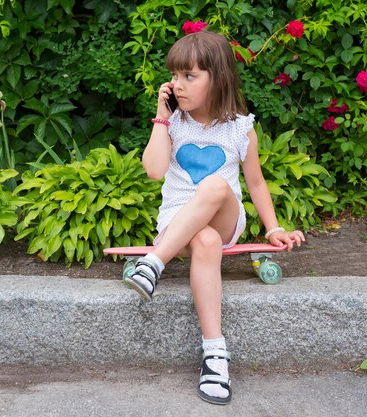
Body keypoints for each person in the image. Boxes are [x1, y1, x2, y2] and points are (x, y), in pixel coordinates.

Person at [125, 30, 305, 405]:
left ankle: (153, 264)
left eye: (190, 77)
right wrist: (162, 117)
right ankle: (215, 355)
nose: (178, 85)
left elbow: (255, 184)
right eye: (175, 76)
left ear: (217, 78)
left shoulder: (241, 128)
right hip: (178, 223)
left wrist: (274, 228)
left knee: (216, 187)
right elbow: (155, 171)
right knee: (204, 240)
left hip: (224, 218)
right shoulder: (173, 124)